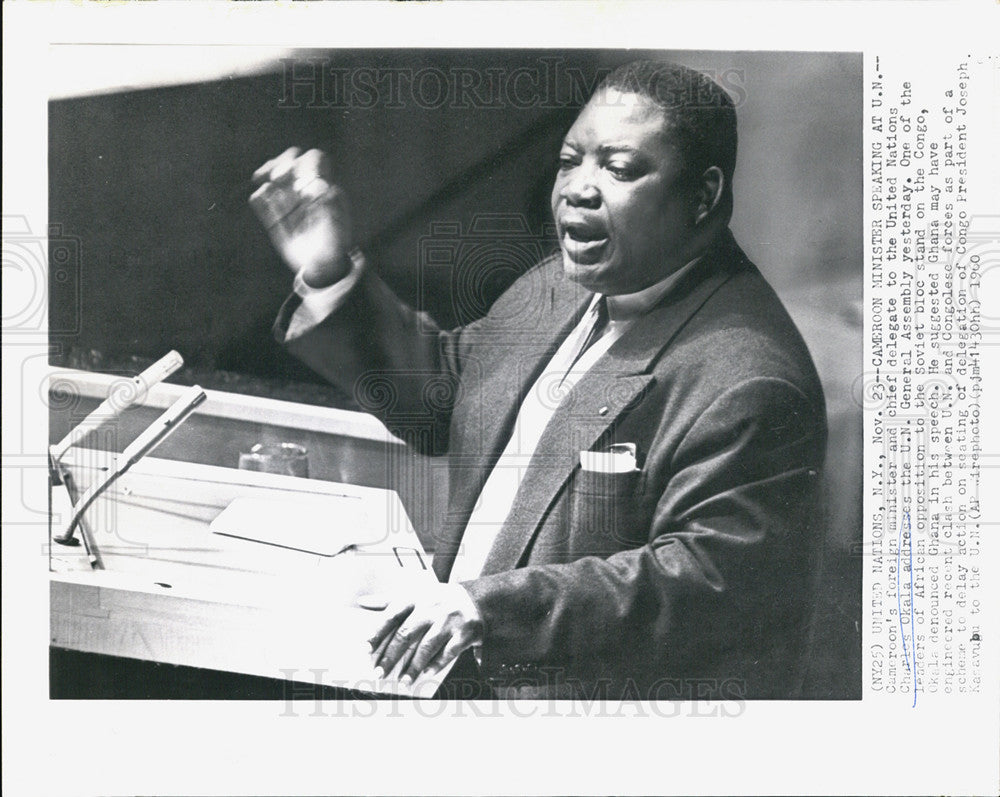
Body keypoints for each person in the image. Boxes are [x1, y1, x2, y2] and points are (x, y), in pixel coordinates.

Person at [250, 60, 827, 700]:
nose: (578, 189)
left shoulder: (750, 380)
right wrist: (329, 271)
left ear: (705, 194)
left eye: (620, 168)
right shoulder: (556, 284)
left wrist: (488, 609)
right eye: (568, 160)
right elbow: (443, 397)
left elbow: (697, 583)